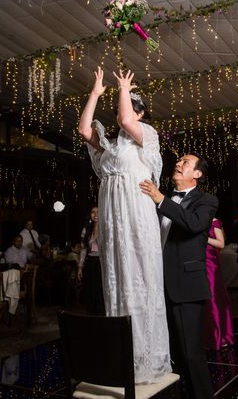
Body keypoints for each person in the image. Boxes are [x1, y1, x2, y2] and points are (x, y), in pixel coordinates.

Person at [79, 67, 170, 383]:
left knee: (139, 275)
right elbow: (83, 130)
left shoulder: (147, 136)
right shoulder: (111, 147)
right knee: (117, 278)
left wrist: (124, 87)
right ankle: (122, 357)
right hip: (112, 219)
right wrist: (95, 94)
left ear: (141, 111)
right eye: (121, 103)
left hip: (135, 213)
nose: (121, 109)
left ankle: (146, 357)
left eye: (129, 103)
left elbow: (126, 121)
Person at [140, 153, 218, 399]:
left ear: (197, 174)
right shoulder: (157, 199)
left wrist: (161, 199)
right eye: (179, 160)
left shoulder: (206, 200)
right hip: (156, 285)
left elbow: (193, 224)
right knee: (168, 351)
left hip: (187, 285)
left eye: (186, 162)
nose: (178, 163)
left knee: (190, 352)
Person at [203, 217, 234, 350]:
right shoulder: (193, 220)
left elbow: (221, 244)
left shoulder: (213, 221)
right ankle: (207, 335)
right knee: (203, 301)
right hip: (198, 263)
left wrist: (204, 238)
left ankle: (219, 336)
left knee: (213, 299)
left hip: (211, 264)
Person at [78, 206, 105, 315]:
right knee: (90, 291)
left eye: (98, 212)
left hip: (102, 263)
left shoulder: (106, 228)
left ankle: (101, 315)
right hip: (90, 263)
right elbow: (83, 250)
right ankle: (91, 315)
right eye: (93, 212)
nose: (95, 214)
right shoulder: (86, 230)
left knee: (100, 290)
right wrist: (80, 267)